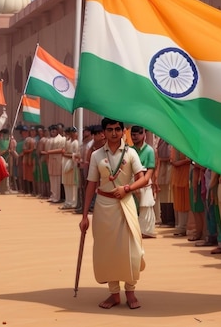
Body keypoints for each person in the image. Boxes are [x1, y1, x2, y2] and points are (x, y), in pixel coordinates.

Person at [79, 118, 148, 310]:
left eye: (118, 129)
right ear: (103, 132)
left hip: (125, 204)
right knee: (107, 250)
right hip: (103, 206)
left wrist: (127, 188)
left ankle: (131, 292)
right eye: (110, 130)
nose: (114, 133)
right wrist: (84, 216)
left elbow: (141, 180)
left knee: (131, 249)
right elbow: (91, 185)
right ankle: (114, 294)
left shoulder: (132, 153)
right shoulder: (96, 156)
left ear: (122, 131)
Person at [130, 126, 156, 238]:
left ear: (143, 135)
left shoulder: (150, 150)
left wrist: (144, 181)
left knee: (145, 206)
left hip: (145, 181)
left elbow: (151, 168)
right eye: (132, 134)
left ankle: (146, 231)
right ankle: (135, 230)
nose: (134, 137)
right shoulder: (130, 150)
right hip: (131, 182)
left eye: (136, 134)